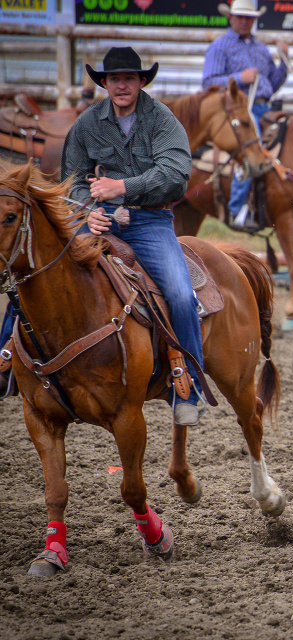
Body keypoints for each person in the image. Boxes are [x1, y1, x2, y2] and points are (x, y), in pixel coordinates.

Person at [59, 46, 202, 427]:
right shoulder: (87, 124)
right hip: (98, 220)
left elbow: (175, 174)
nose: (122, 85)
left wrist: (120, 186)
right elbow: (71, 181)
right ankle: (15, 360)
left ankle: (186, 384)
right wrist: (87, 213)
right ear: (104, 83)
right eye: (115, 79)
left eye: (129, 78)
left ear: (141, 82)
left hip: (150, 222)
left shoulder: (162, 120)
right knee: (45, 272)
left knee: (180, 294)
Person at [202, 0, 288, 231]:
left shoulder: (260, 48)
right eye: (240, 17)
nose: (245, 21)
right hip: (237, 111)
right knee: (250, 146)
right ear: (231, 17)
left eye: (249, 18)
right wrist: (241, 77)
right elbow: (208, 82)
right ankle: (237, 208)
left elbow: (272, 82)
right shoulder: (220, 47)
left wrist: (284, 63)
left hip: (264, 107)